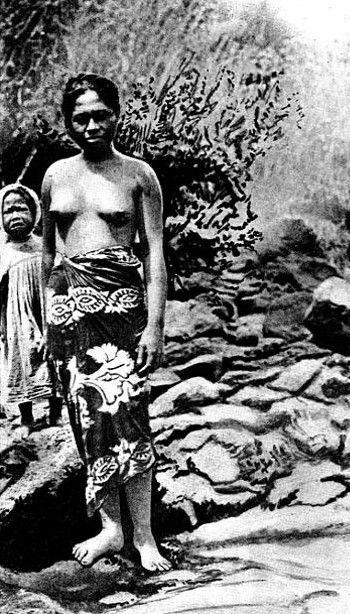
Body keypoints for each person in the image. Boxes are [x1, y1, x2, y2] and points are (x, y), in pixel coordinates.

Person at [41, 73, 171, 571]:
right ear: (68, 123)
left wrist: (154, 326)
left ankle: (145, 535)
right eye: (81, 118)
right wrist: (44, 322)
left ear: (117, 115)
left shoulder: (139, 175)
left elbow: (154, 254)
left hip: (122, 308)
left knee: (129, 413)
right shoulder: (55, 175)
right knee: (88, 416)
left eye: (101, 115)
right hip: (68, 308)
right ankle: (111, 529)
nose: (92, 126)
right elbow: (48, 256)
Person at [0, 183, 62, 438]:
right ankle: (27, 417)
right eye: (8, 211)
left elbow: (59, 279)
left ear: (34, 212)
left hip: (48, 310)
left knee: (54, 357)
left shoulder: (45, 246)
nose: (15, 216)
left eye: (21, 209)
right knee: (22, 357)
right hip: (18, 316)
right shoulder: (3, 253)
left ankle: (56, 412)